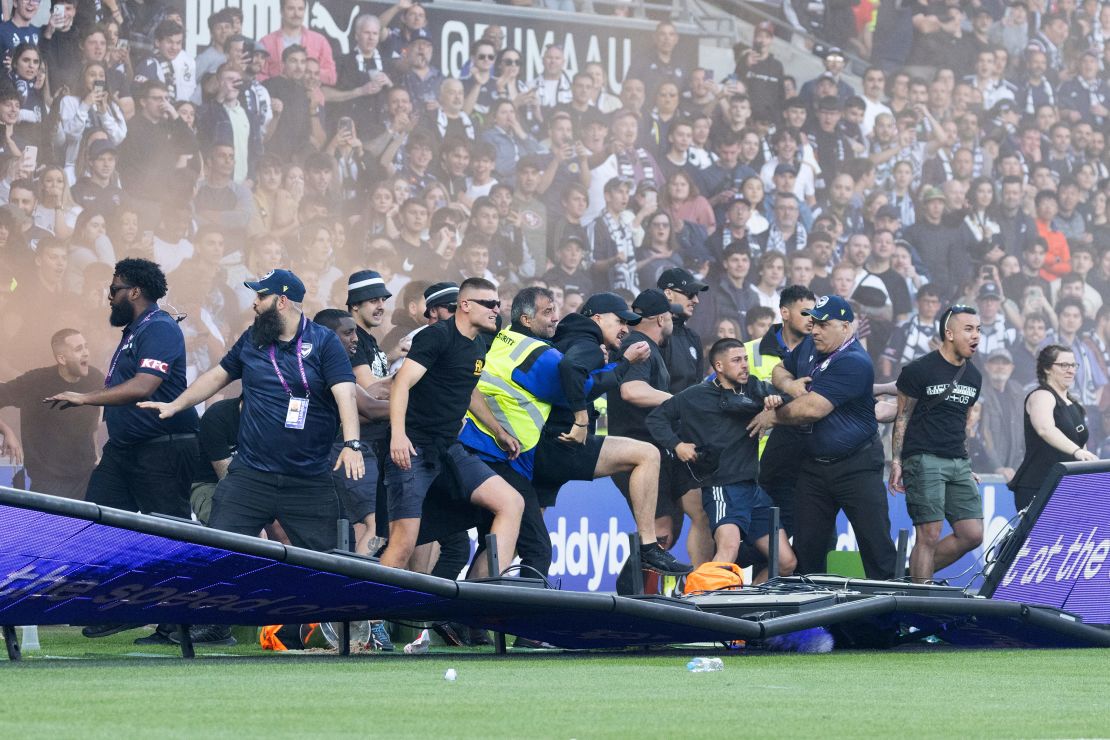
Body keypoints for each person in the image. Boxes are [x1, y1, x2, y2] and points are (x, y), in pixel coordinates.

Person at [137, 268, 365, 552]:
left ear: (282, 301)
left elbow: (345, 392)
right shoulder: (253, 338)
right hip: (252, 475)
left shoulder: (323, 341)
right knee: (219, 551)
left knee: (330, 561)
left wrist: (352, 444)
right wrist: (175, 405)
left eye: (261, 296)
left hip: (307, 480)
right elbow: (218, 375)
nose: (254, 303)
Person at [531, 292, 692, 575]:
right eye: (619, 321)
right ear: (596, 319)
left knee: (533, 542)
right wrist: (582, 418)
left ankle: (480, 603)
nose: (625, 329)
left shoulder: (575, 339)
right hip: (562, 444)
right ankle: (648, 547)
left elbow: (580, 381)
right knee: (646, 454)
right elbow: (572, 368)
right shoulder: (587, 341)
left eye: (628, 324)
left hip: (543, 445)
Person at [747, 295, 896, 579]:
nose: (814, 329)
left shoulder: (854, 362)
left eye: (823, 324)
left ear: (845, 326)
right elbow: (780, 369)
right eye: (813, 322)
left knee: (876, 546)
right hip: (813, 466)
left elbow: (813, 409)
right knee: (808, 549)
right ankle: (809, 620)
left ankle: (888, 617)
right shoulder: (809, 345)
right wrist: (790, 385)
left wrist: (773, 417)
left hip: (857, 466)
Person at [381, 277, 524, 572]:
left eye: (498, 304)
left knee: (511, 502)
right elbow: (401, 384)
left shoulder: (477, 346)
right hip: (413, 447)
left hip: (449, 450)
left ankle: (475, 608)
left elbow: (469, 390)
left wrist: (499, 431)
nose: (496, 309)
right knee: (403, 544)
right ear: (465, 305)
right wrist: (397, 436)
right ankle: (365, 618)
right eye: (489, 303)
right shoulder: (436, 336)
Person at [646, 338, 796, 582]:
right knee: (727, 552)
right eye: (737, 360)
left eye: (746, 359)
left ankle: (747, 610)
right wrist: (678, 445)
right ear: (719, 366)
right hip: (722, 487)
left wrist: (777, 401)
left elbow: (788, 399)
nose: (745, 365)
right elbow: (656, 419)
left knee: (786, 563)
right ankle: (704, 605)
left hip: (753, 490)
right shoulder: (694, 396)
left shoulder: (754, 388)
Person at [889, 305, 985, 583]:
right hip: (923, 458)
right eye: (968, 329)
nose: (976, 335)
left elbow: (960, 424)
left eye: (979, 330)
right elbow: (902, 416)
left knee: (972, 534)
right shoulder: (919, 369)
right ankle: (921, 599)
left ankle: (913, 577)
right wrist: (897, 461)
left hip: (958, 461)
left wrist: (966, 463)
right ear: (949, 333)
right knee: (928, 535)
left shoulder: (974, 376)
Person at [0, 329, 103, 499]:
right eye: (78, 349)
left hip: (86, 474)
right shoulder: (35, 382)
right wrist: (7, 431)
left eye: (86, 347)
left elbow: (94, 419)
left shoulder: (95, 377)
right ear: (61, 358)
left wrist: (96, 453)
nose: (86, 353)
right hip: (48, 480)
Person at [1008, 344, 1100, 510]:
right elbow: (1045, 429)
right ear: (1047, 368)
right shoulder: (1042, 395)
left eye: (1073, 365)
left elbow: (1082, 446)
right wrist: (1077, 452)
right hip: (1038, 484)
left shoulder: (1075, 405)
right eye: (1064, 365)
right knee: (1038, 537)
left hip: (1068, 487)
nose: (1071, 370)